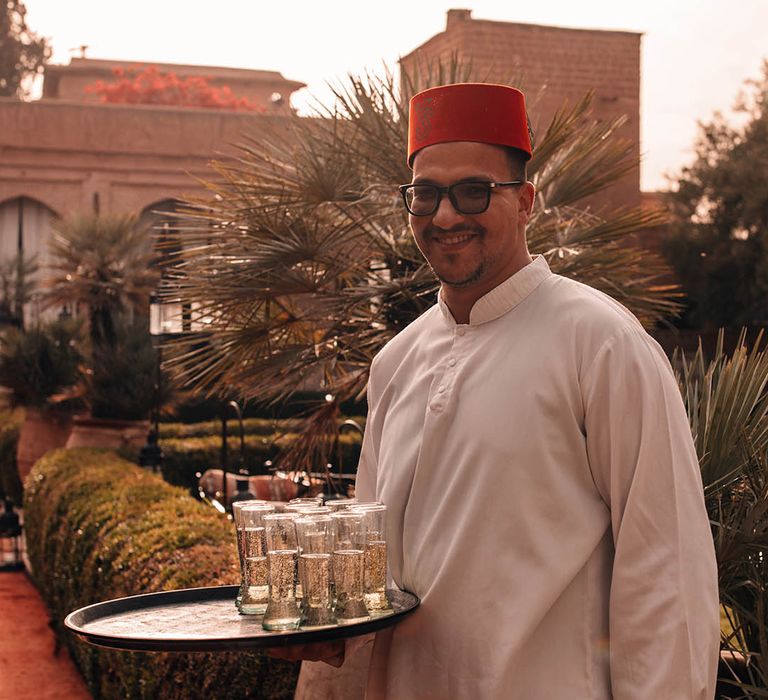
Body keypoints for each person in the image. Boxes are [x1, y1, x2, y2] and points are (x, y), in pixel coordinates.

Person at [283, 82, 720, 699]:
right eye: (426, 194)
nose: (445, 215)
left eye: (473, 191)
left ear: (526, 202)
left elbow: (665, 567)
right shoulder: (398, 361)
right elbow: (370, 561)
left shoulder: (600, 344)